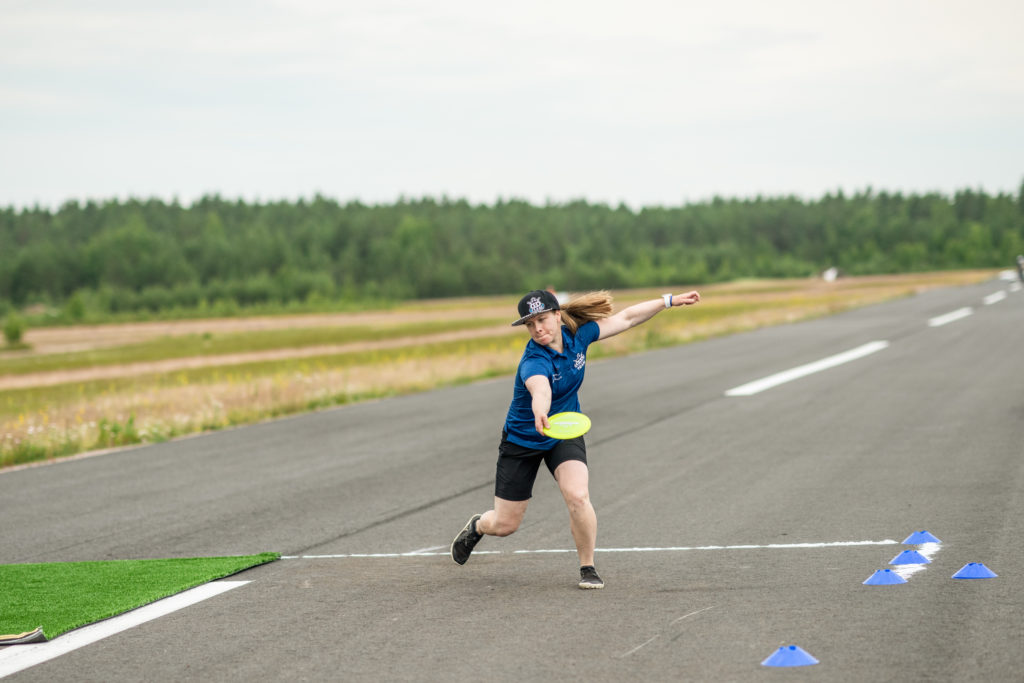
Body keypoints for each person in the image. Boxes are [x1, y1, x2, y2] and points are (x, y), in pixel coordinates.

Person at [450, 287, 701, 589]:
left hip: (564, 430)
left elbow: (627, 318)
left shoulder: (578, 336)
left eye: (542, 319)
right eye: (530, 324)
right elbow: (539, 389)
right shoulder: (534, 360)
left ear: (558, 316)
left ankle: (588, 567)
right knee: (505, 525)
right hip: (523, 440)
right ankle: (478, 525)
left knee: (578, 496)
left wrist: (668, 301)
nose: (537, 328)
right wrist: (540, 411)